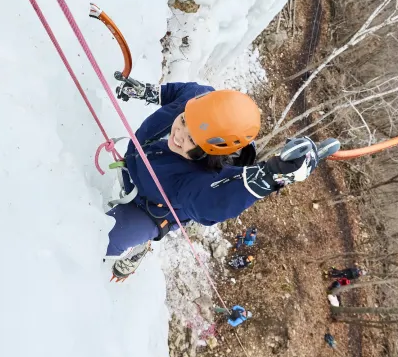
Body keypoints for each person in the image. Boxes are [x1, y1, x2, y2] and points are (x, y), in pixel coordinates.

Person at [105, 79, 339, 279]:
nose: (178, 134)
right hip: (136, 165)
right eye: (184, 120)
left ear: (210, 151)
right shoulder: (199, 104)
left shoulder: (195, 179)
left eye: (193, 140)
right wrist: (149, 93)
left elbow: (214, 199)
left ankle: (140, 246)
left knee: (104, 239)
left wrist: (270, 177)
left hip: (149, 211)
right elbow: (181, 92)